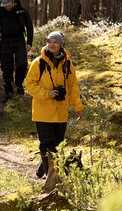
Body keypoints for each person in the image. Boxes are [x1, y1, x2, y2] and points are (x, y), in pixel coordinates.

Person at [23, 31, 84, 178]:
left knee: (57, 144)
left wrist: (78, 107)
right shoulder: (38, 62)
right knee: (46, 143)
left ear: (61, 45)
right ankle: (51, 175)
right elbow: (29, 84)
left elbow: (73, 87)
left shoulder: (68, 64)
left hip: (60, 111)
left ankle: (42, 169)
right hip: (42, 110)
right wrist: (47, 94)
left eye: (55, 42)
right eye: (49, 41)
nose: (52, 44)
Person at [0, 0, 33, 101]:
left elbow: (29, 26)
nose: (6, 7)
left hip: (19, 40)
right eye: (4, 5)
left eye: (8, 5)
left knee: (22, 64)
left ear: (12, 2)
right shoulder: (0, 12)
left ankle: (18, 84)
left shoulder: (22, 11)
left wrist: (29, 42)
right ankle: (8, 88)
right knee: (6, 67)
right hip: (5, 41)